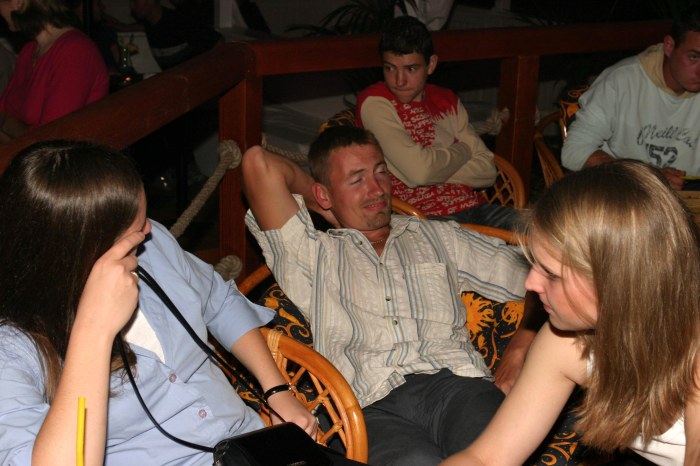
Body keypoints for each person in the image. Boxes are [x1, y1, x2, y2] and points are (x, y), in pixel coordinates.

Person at [0, 140, 316, 466]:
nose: (148, 230)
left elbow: (220, 303)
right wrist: (93, 331)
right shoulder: (11, 347)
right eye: (134, 228)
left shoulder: (151, 245)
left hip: (251, 446)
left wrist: (277, 391)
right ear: (81, 250)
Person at [242, 126, 541, 465]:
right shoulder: (312, 254)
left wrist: (518, 351)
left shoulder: (439, 236)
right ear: (323, 194)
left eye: (380, 172)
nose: (376, 189)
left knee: (495, 453)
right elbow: (257, 163)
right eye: (356, 180)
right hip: (368, 407)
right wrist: (326, 206)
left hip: (457, 386)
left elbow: (544, 275)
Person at [441, 159, 700, 466]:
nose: (530, 283)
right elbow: (486, 458)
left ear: (618, 283)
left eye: (552, 274)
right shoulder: (565, 340)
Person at [355, 15, 516, 230]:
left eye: (411, 69)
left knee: (544, 230)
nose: (399, 81)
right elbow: (420, 172)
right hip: (422, 218)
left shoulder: (447, 100)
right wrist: (463, 150)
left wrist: (431, 167)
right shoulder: (376, 103)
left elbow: (487, 171)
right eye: (390, 68)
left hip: (475, 208)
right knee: (487, 248)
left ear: (431, 64)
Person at [561, 3, 700, 190]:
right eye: (694, 57)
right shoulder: (620, 81)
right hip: (624, 191)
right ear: (669, 46)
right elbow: (574, 151)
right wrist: (645, 176)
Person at [0, 0, 108, 142]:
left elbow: (51, 138)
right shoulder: (29, 51)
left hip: (65, 155)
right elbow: (3, 112)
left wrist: (9, 125)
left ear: (18, 2)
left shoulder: (74, 51)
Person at [130, 0, 222, 70]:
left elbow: (217, 41)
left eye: (135, 1)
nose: (132, 6)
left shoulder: (179, 22)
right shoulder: (150, 26)